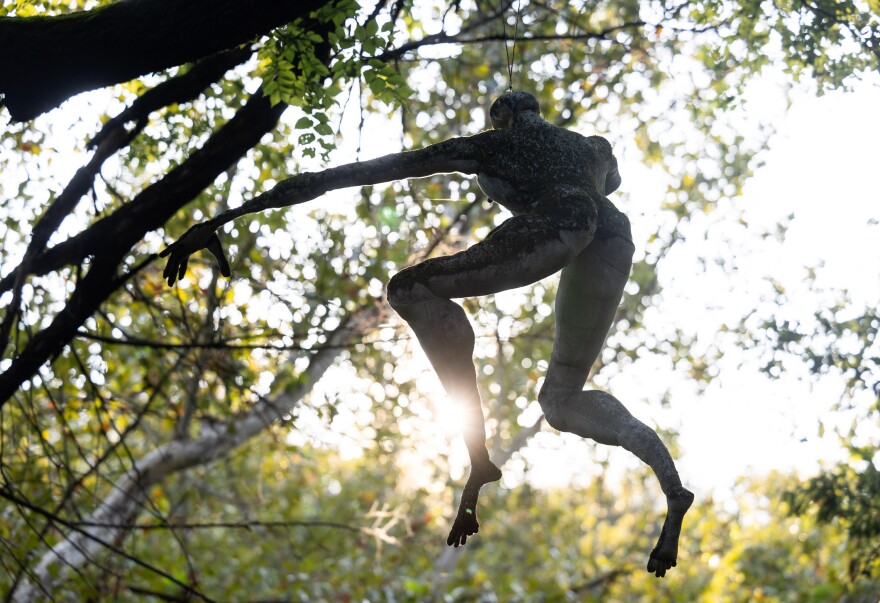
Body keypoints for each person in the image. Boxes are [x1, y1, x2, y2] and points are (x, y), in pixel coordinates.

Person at [161, 91, 693, 577]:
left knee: (410, 288)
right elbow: (613, 183)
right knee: (561, 399)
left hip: (559, 222)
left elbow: (359, 172)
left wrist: (229, 215)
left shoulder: (492, 146)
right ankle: (671, 486)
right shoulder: (593, 147)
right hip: (612, 233)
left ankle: (477, 452)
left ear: (503, 117)